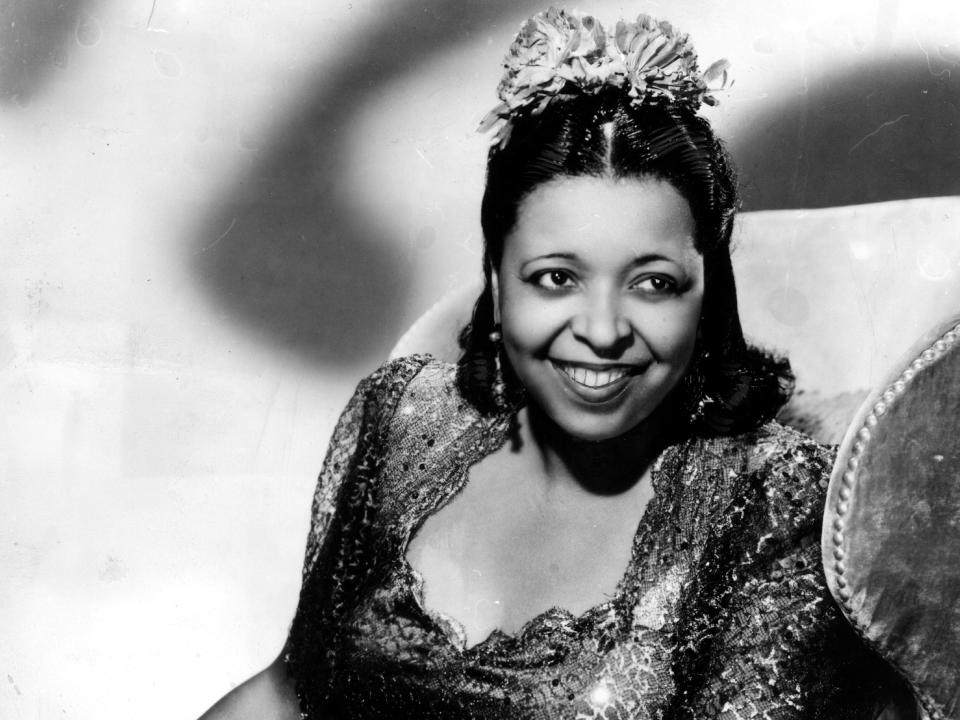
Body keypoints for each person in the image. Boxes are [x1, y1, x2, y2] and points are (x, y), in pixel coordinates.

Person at [200, 9, 918, 719]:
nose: (602, 331)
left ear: (707, 294)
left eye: (652, 283)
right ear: (496, 280)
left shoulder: (778, 508)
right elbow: (290, 690)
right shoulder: (400, 423)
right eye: (556, 278)